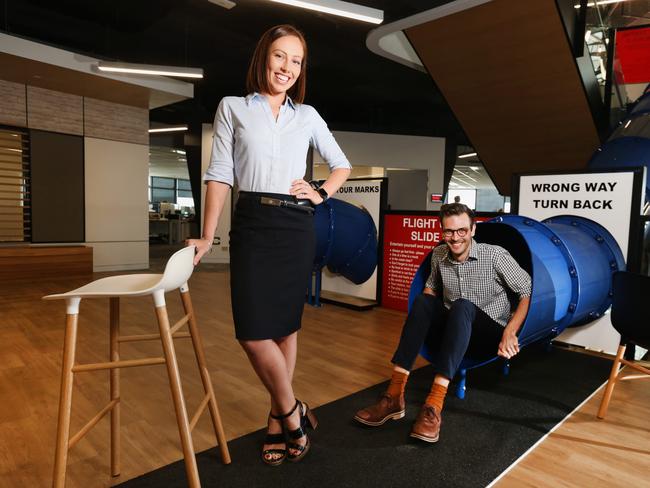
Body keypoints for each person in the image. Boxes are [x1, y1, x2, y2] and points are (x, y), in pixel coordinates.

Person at [187, 24, 351, 465]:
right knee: (252, 333)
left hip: (297, 226)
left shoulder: (308, 115)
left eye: (296, 61)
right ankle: (293, 411)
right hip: (253, 223)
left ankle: (276, 421)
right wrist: (208, 234)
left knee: (285, 328)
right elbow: (220, 173)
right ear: (264, 56)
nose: (287, 68)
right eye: (280, 56)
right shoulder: (233, 108)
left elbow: (341, 165)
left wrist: (320, 192)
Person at [353, 203, 531, 442]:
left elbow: (526, 290)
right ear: (442, 231)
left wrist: (510, 331)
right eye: (448, 231)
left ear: (473, 230)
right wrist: (422, 312)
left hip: (487, 334)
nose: (455, 238)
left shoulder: (495, 255)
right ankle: (394, 395)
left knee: (462, 305)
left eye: (461, 231)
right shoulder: (439, 255)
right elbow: (431, 288)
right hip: (453, 331)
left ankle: (434, 405)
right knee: (423, 301)